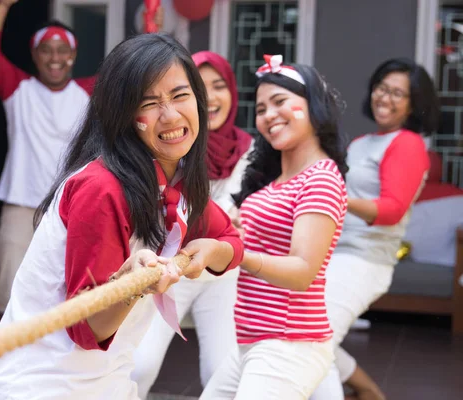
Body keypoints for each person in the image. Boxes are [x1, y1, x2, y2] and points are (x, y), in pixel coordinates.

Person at [0, 33, 244, 400]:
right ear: (121, 115)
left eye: (180, 95)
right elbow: (88, 329)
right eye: (149, 103)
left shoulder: (177, 180)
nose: (170, 115)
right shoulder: (101, 188)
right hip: (42, 385)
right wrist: (135, 282)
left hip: (108, 381)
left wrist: (207, 254)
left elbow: (231, 239)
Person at [200, 55, 349, 400]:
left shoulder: (321, 178)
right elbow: (267, 245)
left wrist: (236, 253)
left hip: (287, 343)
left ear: (313, 105)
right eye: (262, 108)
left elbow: (301, 272)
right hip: (254, 341)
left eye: (280, 102)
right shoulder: (275, 182)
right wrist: (237, 233)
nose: (269, 115)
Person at [310, 58, 440, 400]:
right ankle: (367, 390)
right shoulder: (363, 143)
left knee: (311, 340)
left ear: (414, 104)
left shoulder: (408, 144)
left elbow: (391, 210)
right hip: (334, 255)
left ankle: (363, 389)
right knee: (302, 333)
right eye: (383, 88)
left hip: (364, 261)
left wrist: (337, 195)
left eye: (399, 93)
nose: (386, 97)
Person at [132, 50, 252, 398]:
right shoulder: (171, 142)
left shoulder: (251, 150)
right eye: (200, 87)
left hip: (221, 269)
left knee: (222, 371)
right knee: (139, 364)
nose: (212, 97)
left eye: (219, 86)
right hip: (167, 266)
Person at [0, 0, 94, 318]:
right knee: (10, 289)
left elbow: (132, 75)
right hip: (21, 205)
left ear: (73, 56)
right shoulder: (17, 87)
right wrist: (3, 5)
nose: (55, 58)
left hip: (71, 208)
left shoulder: (89, 92)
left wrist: (152, 26)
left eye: (62, 50)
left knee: (66, 289)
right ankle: (4, 358)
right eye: (46, 50)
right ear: (35, 56)